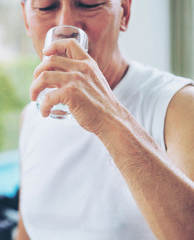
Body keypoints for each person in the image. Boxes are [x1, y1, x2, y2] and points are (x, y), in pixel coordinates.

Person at [17, 0, 194, 239]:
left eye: (89, 4)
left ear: (125, 13)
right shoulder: (31, 117)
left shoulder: (181, 106)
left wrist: (109, 117)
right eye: (46, 7)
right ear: (26, 19)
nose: (66, 25)